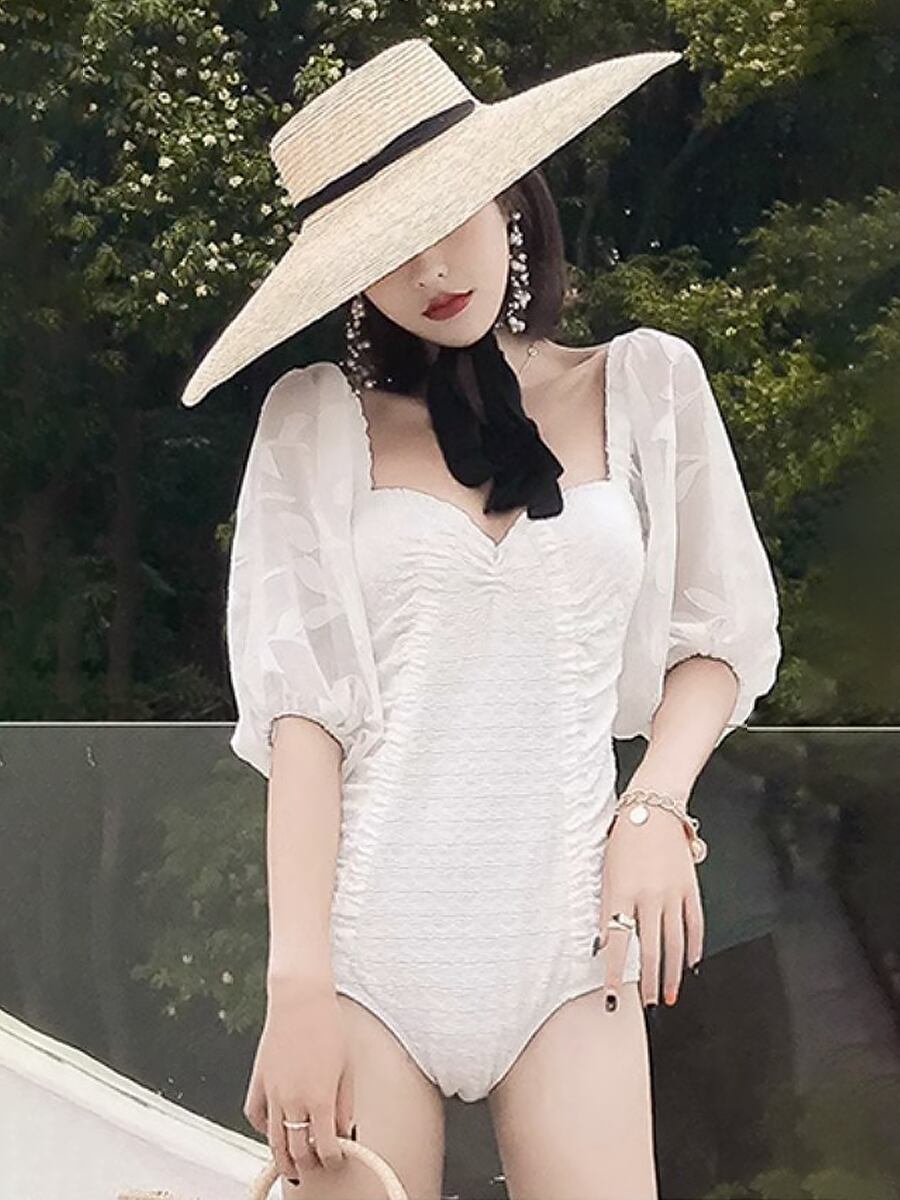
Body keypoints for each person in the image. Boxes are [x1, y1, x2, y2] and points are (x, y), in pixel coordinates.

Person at [180, 38, 782, 1200]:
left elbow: (719, 637)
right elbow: (304, 727)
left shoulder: (647, 386)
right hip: (368, 953)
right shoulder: (313, 426)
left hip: (571, 942)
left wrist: (655, 804)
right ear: (350, 278)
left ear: (510, 194)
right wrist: (296, 990)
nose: (429, 267)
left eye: (447, 214)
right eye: (384, 248)